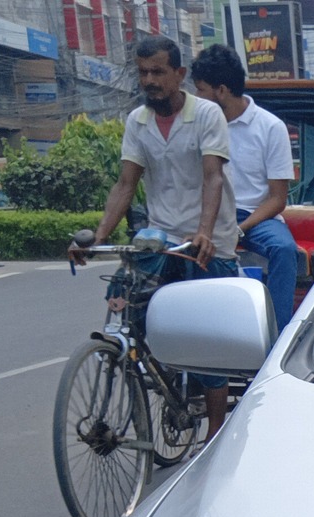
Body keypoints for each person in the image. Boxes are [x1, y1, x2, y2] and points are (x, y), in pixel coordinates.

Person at [70, 36, 241, 432]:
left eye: (158, 72)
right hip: (160, 237)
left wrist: (203, 232)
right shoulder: (138, 121)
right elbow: (126, 184)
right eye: (143, 72)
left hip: (206, 241)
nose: (150, 80)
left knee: (208, 341)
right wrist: (97, 237)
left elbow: (212, 177)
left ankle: (214, 435)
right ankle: (157, 367)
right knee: (125, 297)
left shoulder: (206, 115)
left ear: (179, 74)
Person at [188, 43, 299, 332]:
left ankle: (276, 337)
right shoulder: (196, 125)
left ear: (221, 91)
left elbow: (277, 199)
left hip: (254, 216)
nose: (196, 98)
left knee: (285, 249)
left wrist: (240, 229)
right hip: (209, 214)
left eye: (200, 90)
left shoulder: (270, 127)